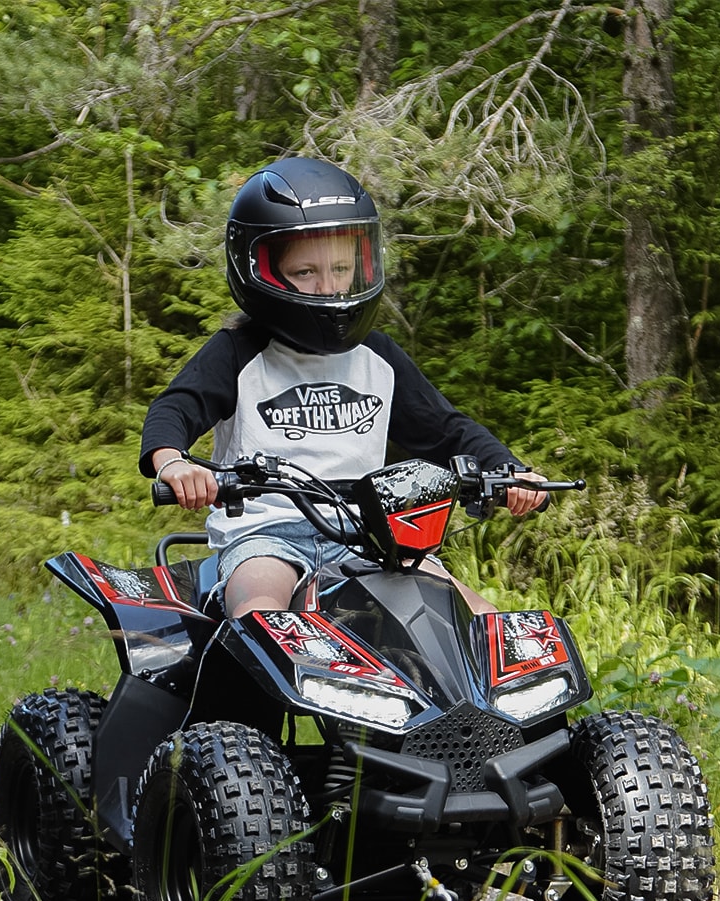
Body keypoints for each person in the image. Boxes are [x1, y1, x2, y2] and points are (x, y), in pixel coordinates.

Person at [140, 156, 547, 618]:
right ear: (261, 272)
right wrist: (174, 464)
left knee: (482, 623)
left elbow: (447, 431)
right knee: (259, 611)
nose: (329, 286)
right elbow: (174, 409)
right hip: (266, 536)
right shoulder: (238, 352)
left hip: (372, 538)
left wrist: (508, 470)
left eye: (339, 268)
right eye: (305, 272)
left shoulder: (379, 357)